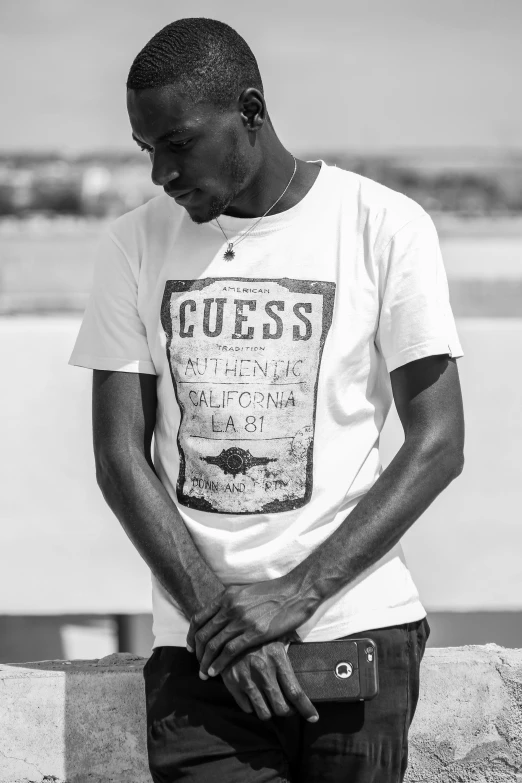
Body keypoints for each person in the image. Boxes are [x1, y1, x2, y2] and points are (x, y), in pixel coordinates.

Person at [69, 17, 465, 783]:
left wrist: (293, 596)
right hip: (201, 654)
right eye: (147, 150)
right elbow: (121, 457)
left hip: (358, 628)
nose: (162, 174)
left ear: (250, 111)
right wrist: (231, 627)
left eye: (178, 143)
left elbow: (439, 441)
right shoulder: (133, 244)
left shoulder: (381, 226)